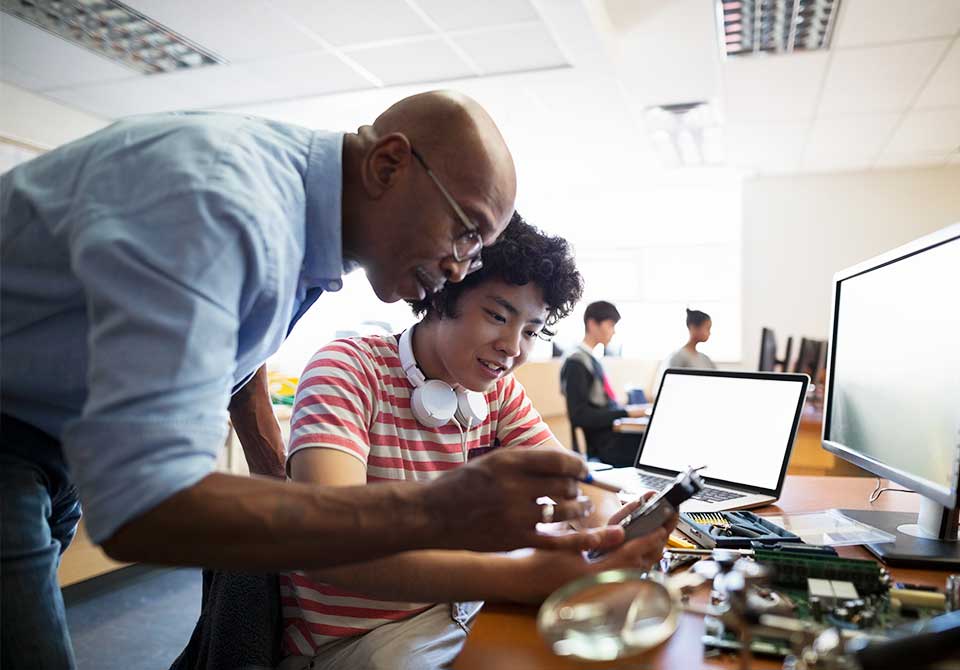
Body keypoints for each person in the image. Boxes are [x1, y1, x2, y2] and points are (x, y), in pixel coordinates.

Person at [0, 92, 620, 670]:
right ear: (388, 165)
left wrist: (276, 467)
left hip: (56, 438)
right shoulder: (227, 208)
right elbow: (146, 506)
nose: (460, 266)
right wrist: (439, 508)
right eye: (464, 232)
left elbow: (232, 343)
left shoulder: (298, 234)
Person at [279, 216, 674, 669]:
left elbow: (571, 481)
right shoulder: (347, 370)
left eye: (530, 330)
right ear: (442, 294)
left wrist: (619, 522)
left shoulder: (496, 391)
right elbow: (331, 549)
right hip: (362, 639)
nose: (512, 347)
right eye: (497, 316)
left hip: (464, 609)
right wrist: (519, 578)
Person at [560, 301, 647, 467]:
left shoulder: (592, 360)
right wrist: (626, 413)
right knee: (650, 443)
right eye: (611, 325)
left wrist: (628, 411)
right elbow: (579, 415)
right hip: (604, 444)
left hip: (612, 434)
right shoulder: (576, 363)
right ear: (592, 324)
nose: (613, 332)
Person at [654, 308, 717, 394]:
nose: (709, 333)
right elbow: (667, 389)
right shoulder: (677, 358)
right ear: (693, 327)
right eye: (707, 328)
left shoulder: (705, 359)